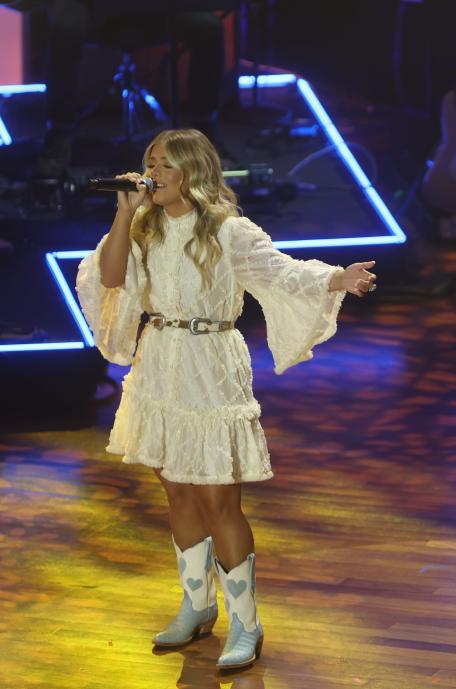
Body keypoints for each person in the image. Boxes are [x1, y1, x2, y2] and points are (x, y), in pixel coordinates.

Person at [76, 128, 376, 671]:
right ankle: (196, 607)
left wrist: (338, 278)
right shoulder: (142, 226)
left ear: (192, 171)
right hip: (160, 362)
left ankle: (246, 622)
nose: (154, 174)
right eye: (150, 163)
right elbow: (112, 278)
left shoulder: (228, 230)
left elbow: (279, 270)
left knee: (218, 501)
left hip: (211, 363)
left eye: (166, 165)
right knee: (179, 494)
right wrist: (123, 214)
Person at [34, 0, 227, 178]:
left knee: (208, 26)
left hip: (159, 11)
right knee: (65, 25)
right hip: (93, 9)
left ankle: (204, 132)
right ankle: (59, 133)